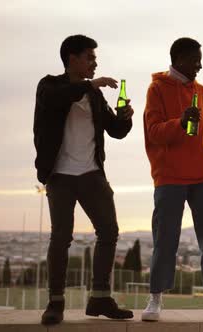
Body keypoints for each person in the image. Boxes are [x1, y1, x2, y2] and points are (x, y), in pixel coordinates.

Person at [33, 34, 134, 325]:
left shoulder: (94, 95)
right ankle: (56, 302)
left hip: (92, 174)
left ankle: (100, 298)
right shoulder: (49, 85)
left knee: (109, 232)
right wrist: (90, 84)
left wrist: (124, 116)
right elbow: (57, 100)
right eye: (89, 57)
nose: (94, 62)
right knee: (61, 237)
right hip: (60, 175)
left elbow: (115, 130)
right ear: (72, 59)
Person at [141, 37, 203, 322]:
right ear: (179, 58)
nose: (200, 65)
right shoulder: (156, 90)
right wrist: (180, 122)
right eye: (195, 59)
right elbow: (154, 132)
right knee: (166, 238)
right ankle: (155, 298)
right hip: (169, 176)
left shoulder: (202, 91)